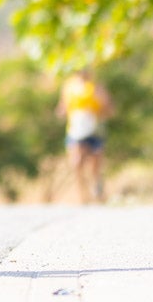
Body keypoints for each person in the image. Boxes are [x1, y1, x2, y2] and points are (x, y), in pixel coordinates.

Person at [56, 67, 115, 204]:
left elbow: (109, 109)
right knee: (76, 162)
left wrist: (100, 109)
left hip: (95, 130)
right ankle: (82, 196)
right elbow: (63, 107)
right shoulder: (69, 87)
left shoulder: (96, 87)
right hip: (75, 130)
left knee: (95, 166)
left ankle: (98, 193)